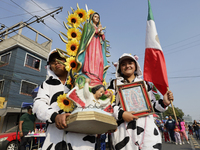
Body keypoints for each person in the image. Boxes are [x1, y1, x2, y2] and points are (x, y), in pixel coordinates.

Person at [107, 53, 174, 150]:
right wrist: (122, 114)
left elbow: (152, 105)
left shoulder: (145, 84)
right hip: (123, 130)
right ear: (119, 68)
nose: (127, 66)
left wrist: (164, 103)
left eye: (130, 63)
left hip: (146, 128)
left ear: (135, 66)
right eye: (123, 64)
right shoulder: (113, 84)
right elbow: (107, 104)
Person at [33, 49, 96, 150]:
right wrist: (55, 116)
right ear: (50, 67)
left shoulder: (82, 80)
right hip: (54, 139)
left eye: (60, 58)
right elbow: (38, 105)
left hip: (82, 139)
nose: (56, 62)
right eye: (52, 61)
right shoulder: (46, 84)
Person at [76, 12, 109, 87]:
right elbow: (88, 33)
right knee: (91, 59)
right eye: (95, 16)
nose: (97, 18)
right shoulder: (88, 25)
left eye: (98, 17)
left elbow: (103, 39)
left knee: (99, 60)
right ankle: (90, 74)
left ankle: (97, 77)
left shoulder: (99, 27)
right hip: (90, 46)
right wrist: (97, 30)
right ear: (91, 18)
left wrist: (101, 33)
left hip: (98, 46)